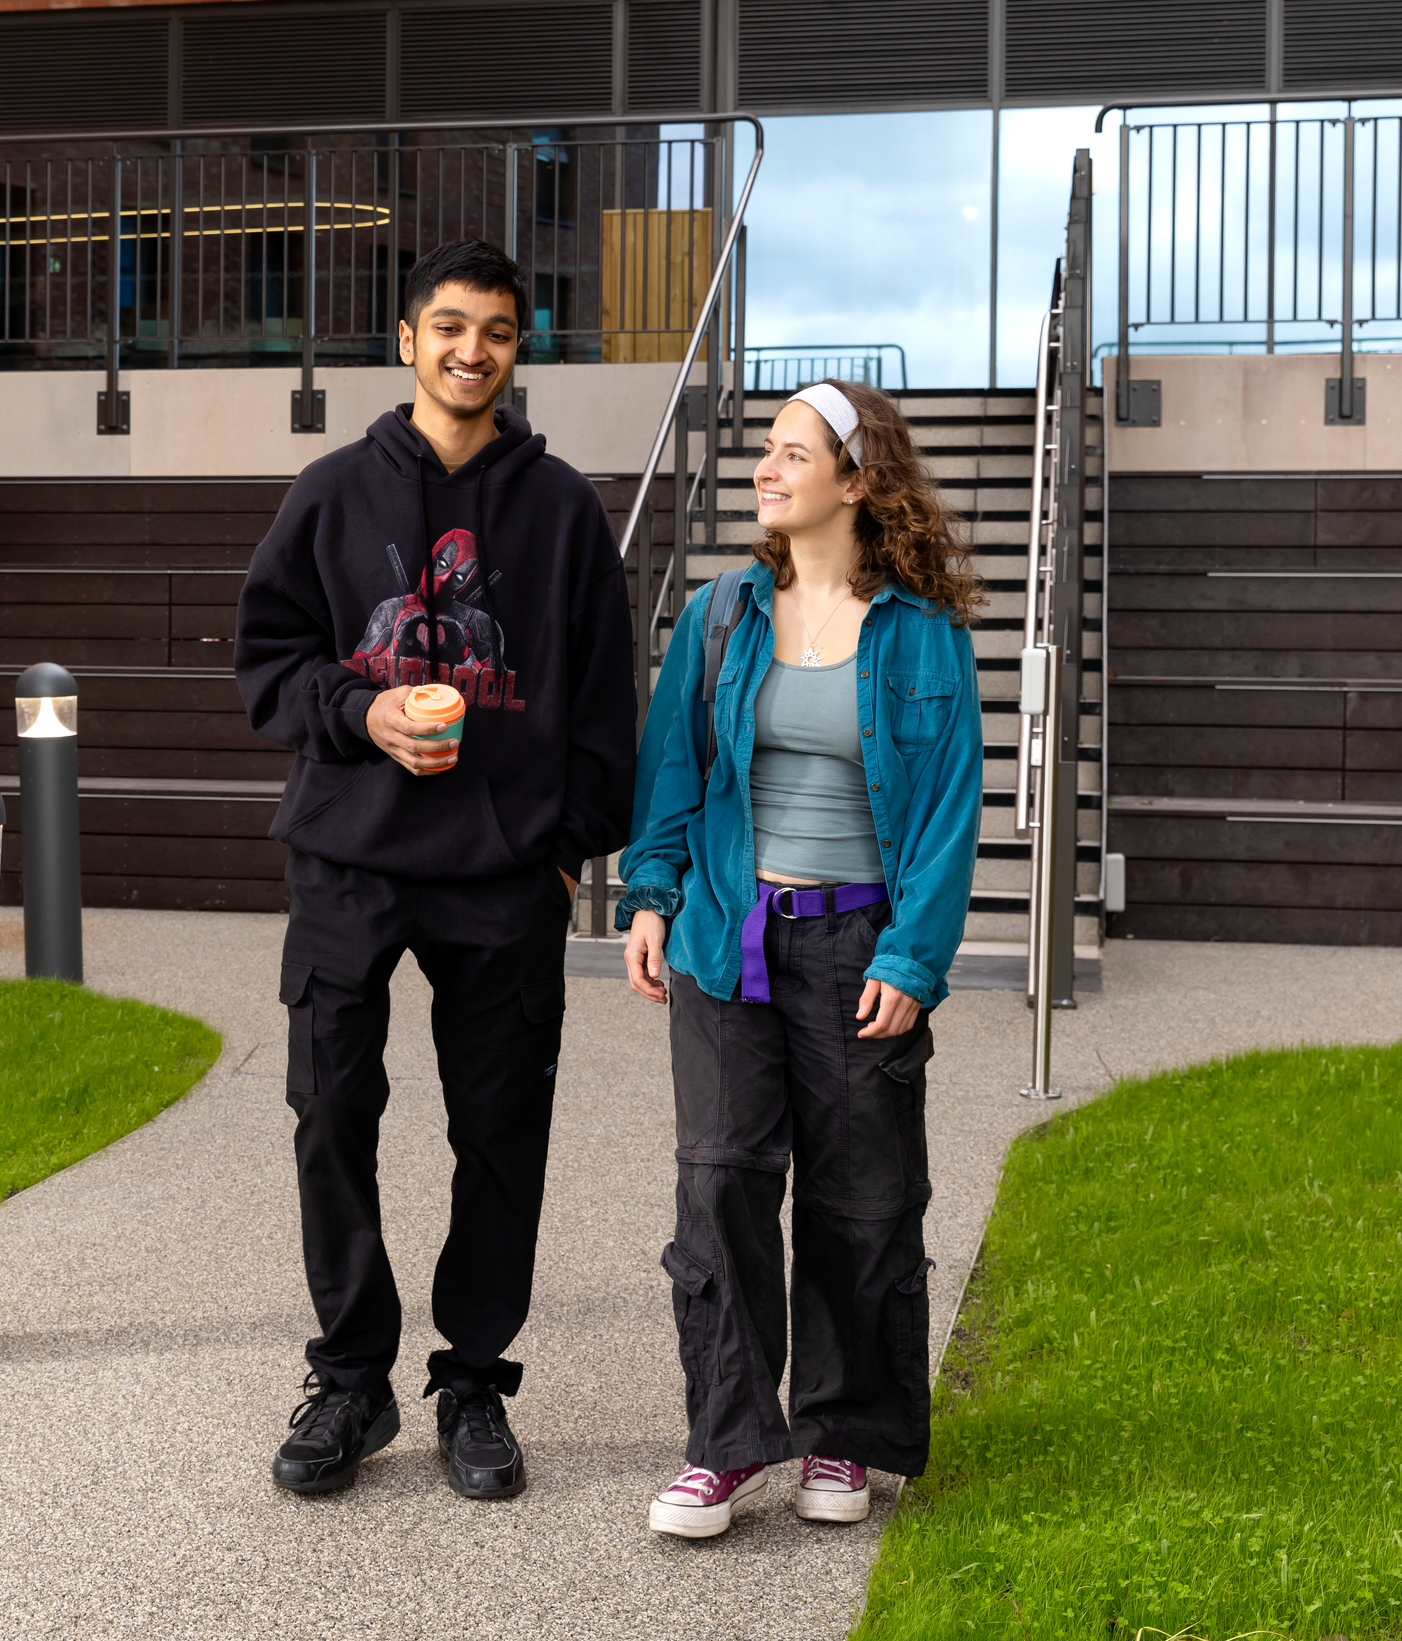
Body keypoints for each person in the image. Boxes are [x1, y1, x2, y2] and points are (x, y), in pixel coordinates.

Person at [233, 238, 639, 1503]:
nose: (473, 352)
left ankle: (472, 1380)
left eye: (500, 332)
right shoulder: (330, 492)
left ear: (522, 349)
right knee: (330, 1119)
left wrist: (564, 854)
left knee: (500, 1133)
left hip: (504, 872)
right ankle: (351, 1379)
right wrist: (363, 716)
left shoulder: (565, 507)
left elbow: (603, 707)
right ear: (407, 339)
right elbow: (268, 666)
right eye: (450, 327)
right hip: (348, 859)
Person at [616, 379, 985, 1540]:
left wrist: (914, 960)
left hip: (860, 945)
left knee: (861, 1200)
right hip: (732, 935)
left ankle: (842, 1434)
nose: (765, 470)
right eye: (765, 452)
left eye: (790, 453)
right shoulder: (723, 615)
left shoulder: (924, 642)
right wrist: (652, 896)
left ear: (857, 481)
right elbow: (675, 772)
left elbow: (948, 819)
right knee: (719, 1182)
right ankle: (724, 1447)